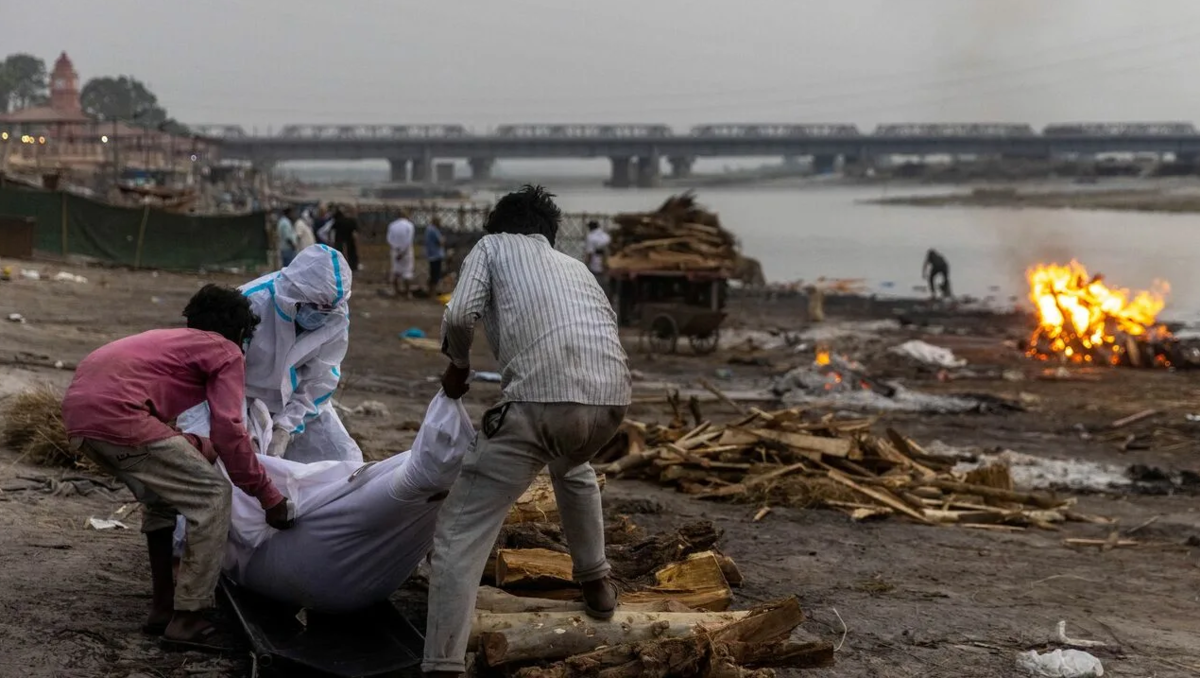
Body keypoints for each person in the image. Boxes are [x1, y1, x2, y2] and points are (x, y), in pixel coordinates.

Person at [423, 186, 632, 677]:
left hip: (541, 400)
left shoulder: (491, 247)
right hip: (611, 401)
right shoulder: (575, 267)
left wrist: (457, 366)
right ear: (549, 234)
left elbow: (458, 314)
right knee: (572, 466)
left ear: (497, 226)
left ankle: (441, 665)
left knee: (459, 532)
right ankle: (597, 584)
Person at [62, 285, 293, 651]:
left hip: (79, 419)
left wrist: (198, 446)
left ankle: (162, 607)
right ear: (239, 332)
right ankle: (188, 618)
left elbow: (164, 429)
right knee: (213, 496)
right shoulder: (225, 349)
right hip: (119, 416)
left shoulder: (169, 342)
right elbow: (230, 430)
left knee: (161, 497)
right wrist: (269, 497)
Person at [387, 211, 416, 298]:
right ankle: (407, 293)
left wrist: (396, 248)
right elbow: (409, 240)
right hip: (406, 252)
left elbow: (389, 239)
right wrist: (403, 252)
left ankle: (396, 292)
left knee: (396, 271)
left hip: (395, 251)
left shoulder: (392, 225)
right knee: (407, 272)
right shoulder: (409, 225)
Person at [583, 220, 611, 292]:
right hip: (608, 260)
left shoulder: (591, 237)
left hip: (596, 260)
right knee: (605, 282)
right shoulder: (606, 236)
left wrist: (585, 265)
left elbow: (590, 253)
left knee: (596, 281)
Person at [331, 205, 360, 272]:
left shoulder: (337, 221)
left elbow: (332, 230)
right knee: (351, 254)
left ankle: (340, 267)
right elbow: (355, 233)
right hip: (350, 240)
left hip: (339, 240)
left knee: (340, 254)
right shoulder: (352, 221)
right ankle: (353, 267)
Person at [425, 216, 446, 294]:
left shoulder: (428, 229)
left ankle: (430, 291)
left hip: (431, 254)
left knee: (433, 273)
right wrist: (443, 239)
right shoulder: (434, 230)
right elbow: (440, 242)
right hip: (436, 255)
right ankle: (432, 292)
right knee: (435, 275)